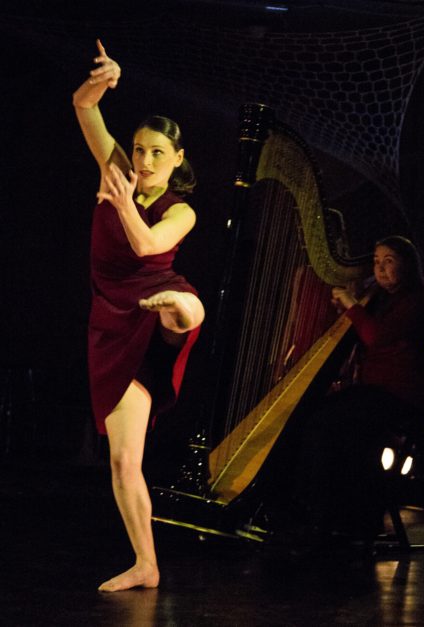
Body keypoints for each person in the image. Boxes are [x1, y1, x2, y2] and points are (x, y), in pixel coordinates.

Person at [73, 40, 205, 592]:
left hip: (157, 300)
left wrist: (123, 200)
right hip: (111, 323)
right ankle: (146, 565)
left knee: (184, 308)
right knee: (124, 461)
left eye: (157, 153)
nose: (144, 160)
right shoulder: (118, 168)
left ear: (177, 160)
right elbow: (83, 107)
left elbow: (151, 248)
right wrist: (102, 81)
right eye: (139, 149)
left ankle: (180, 311)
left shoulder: (181, 208)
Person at [288, 235, 424, 544]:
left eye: (389, 262)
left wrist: (352, 306)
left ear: (407, 266)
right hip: (375, 393)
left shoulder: (416, 303)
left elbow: (375, 338)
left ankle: (325, 517)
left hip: (400, 397)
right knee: (314, 415)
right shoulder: (380, 299)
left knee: (324, 424)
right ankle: (328, 514)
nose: (380, 269)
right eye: (376, 262)